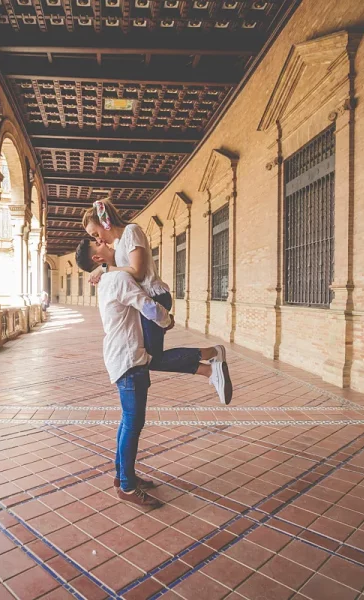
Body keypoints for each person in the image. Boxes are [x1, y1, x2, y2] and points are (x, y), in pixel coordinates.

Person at [83, 199, 232, 404]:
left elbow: (137, 271)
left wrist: (105, 269)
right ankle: (209, 367)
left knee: (152, 359)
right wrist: (104, 267)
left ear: (104, 222)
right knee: (151, 359)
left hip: (155, 296)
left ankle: (213, 357)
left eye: (95, 233)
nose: (98, 238)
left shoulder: (132, 231)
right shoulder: (118, 246)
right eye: (94, 238)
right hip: (147, 302)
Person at [75, 237, 175, 507]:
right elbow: (148, 306)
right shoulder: (118, 280)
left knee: (128, 421)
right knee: (132, 423)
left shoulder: (109, 279)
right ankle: (128, 487)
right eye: (99, 243)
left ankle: (123, 476)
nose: (104, 241)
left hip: (123, 355)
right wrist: (168, 320)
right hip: (128, 357)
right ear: (98, 258)